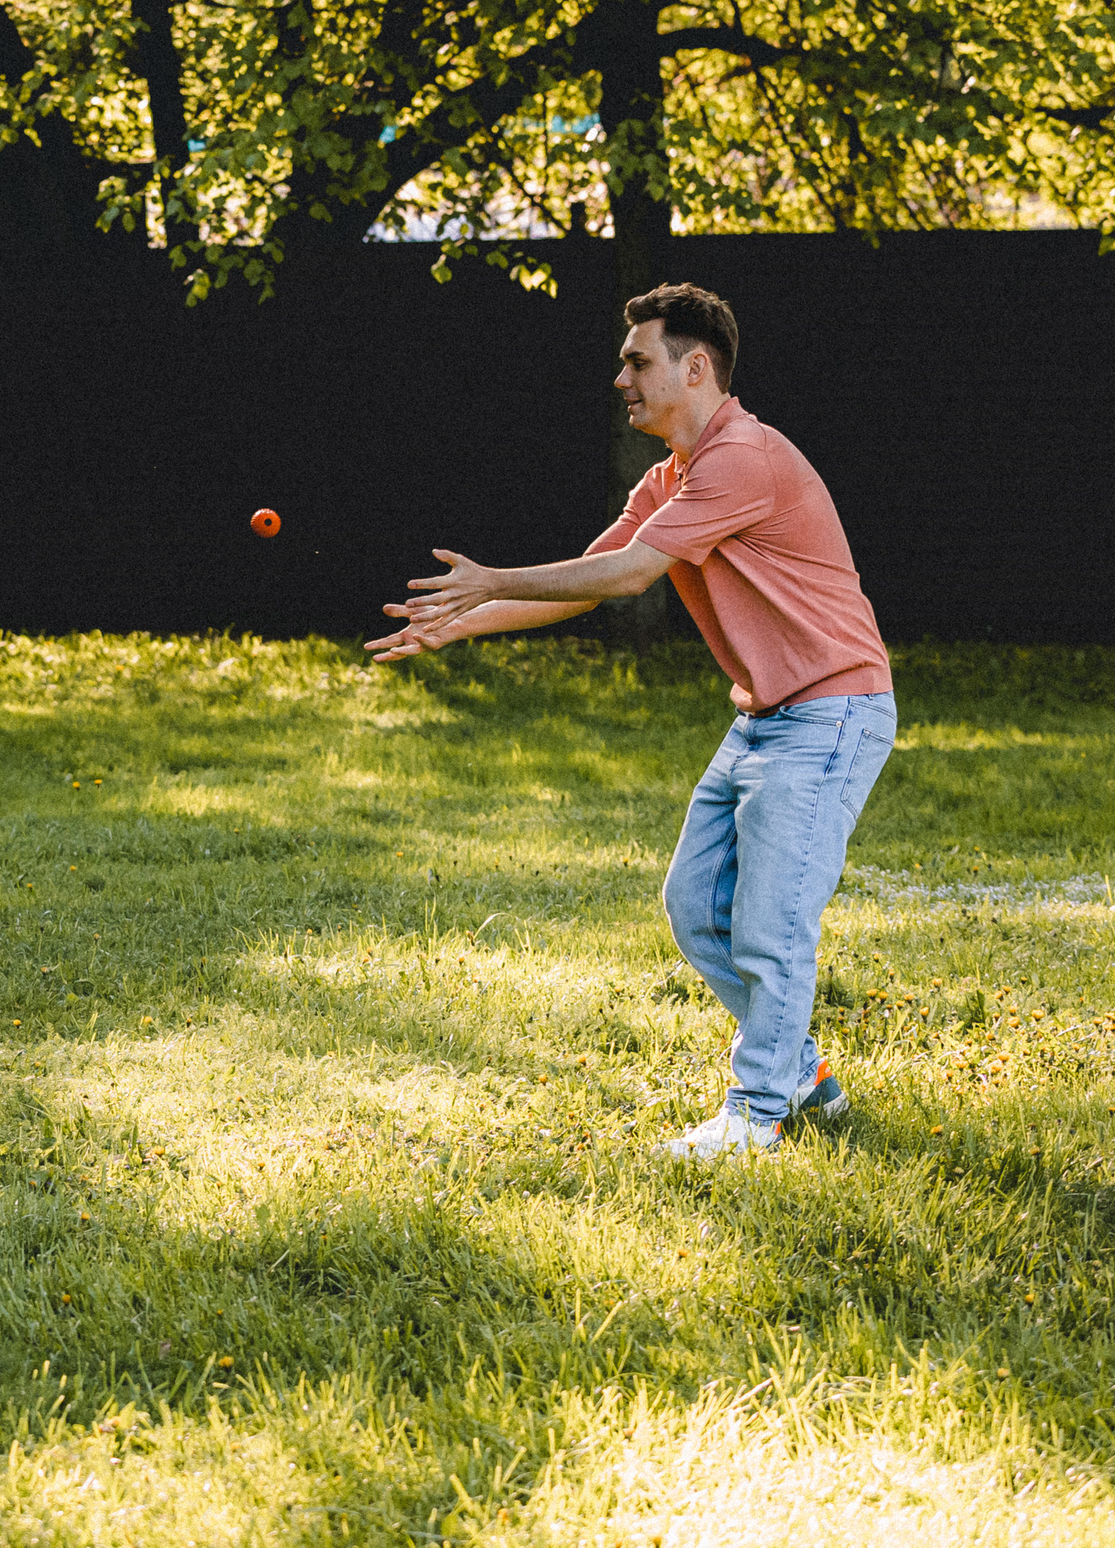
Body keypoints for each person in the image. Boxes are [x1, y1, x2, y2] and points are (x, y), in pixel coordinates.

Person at [365, 283, 895, 1160]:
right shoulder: (673, 477)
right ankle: (800, 1073)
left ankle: (757, 1113)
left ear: (695, 368)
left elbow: (628, 577)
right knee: (694, 905)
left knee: (772, 923)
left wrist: (491, 577)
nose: (621, 377)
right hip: (764, 716)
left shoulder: (745, 458)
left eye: (637, 360)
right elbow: (596, 569)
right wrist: (461, 622)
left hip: (831, 710)